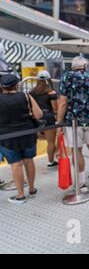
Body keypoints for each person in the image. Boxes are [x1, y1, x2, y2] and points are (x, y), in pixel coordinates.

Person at [57, 56, 89, 191]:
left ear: (73, 66)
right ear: (85, 66)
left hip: (73, 121)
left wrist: (59, 123)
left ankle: (82, 183)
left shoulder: (66, 77)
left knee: (76, 150)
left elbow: (63, 102)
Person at [0, 74, 43, 203]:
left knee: (16, 164)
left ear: (2, 86)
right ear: (17, 85)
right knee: (29, 160)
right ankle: (31, 188)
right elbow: (39, 114)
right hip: (27, 133)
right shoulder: (25, 96)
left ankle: (20, 194)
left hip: (7, 137)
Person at [30, 70, 58, 168]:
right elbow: (55, 108)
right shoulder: (51, 92)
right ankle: (50, 161)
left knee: (36, 140)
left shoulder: (32, 92)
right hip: (48, 117)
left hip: (35, 118)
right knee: (51, 142)